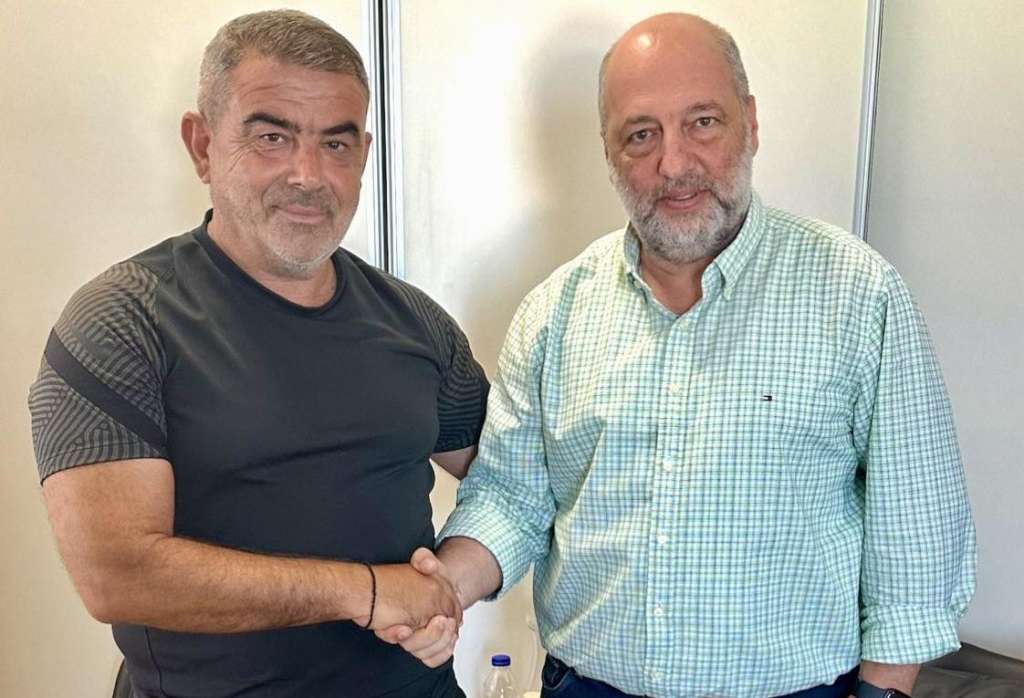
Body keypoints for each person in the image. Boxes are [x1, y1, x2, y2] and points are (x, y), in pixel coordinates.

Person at [377, 13, 976, 698]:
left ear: (750, 122)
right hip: (587, 687)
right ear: (608, 151)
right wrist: (444, 589)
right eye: (641, 134)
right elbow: (511, 499)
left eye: (703, 122)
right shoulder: (553, 314)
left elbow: (916, 535)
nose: (675, 164)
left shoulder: (858, 295)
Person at [28, 10, 487, 698]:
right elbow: (117, 573)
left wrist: (450, 581)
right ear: (202, 145)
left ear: (364, 155)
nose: (308, 175)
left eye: (336, 144)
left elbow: (511, 477)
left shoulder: (416, 323)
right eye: (272, 137)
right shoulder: (124, 321)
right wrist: (362, 592)